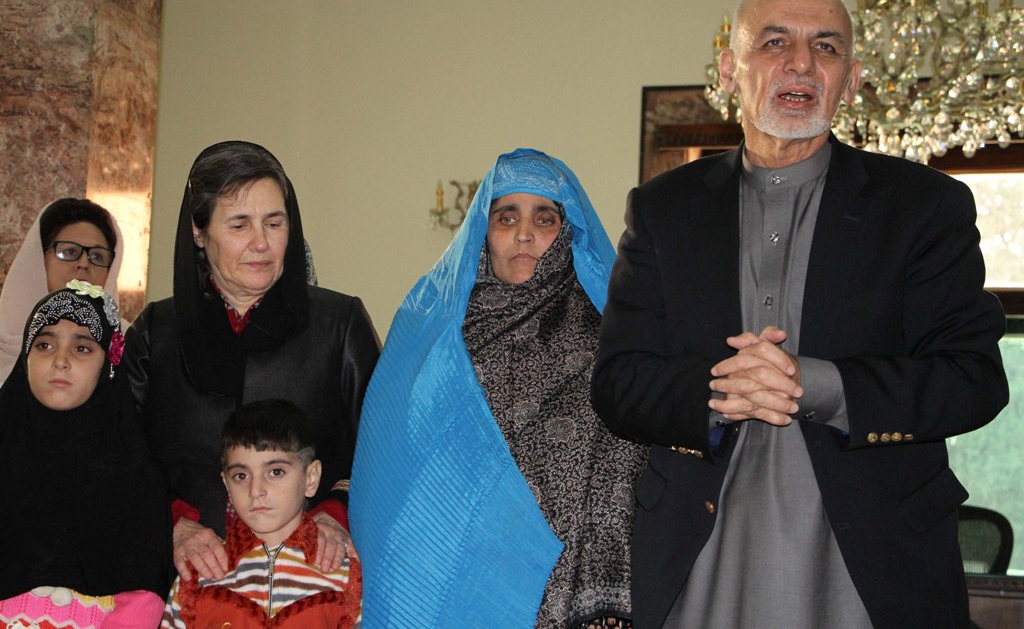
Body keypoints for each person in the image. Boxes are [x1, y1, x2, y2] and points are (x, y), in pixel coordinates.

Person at [592, 0, 1009, 629]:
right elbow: (618, 382)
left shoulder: (923, 207)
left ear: (851, 79)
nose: (801, 63)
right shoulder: (662, 209)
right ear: (729, 70)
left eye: (826, 47)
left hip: (870, 567)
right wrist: (716, 390)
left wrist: (817, 384)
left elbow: (973, 378)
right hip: (697, 566)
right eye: (775, 42)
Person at [351, 148, 647, 628]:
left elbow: (627, 466)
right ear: (482, 231)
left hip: (568, 590)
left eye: (545, 218)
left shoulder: (610, 339)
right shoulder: (434, 330)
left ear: (568, 231)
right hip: (455, 567)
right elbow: (397, 461)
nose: (524, 234)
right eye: (506, 217)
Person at [121, 141, 380, 585]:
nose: (261, 243)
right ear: (199, 234)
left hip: (312, 579)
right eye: (239, 224)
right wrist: (174, 524)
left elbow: (382, 450)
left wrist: (336, 513)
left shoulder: (339, 325)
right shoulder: (157, 332)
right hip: (187, 581)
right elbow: (120, 453)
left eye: (274, 223)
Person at [0, 280, 170, 628]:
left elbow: (144, 596)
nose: (60, 361)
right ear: (25, 358)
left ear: (109, 363)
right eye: (44, 344)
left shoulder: (135, 475)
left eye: (82, 348)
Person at [161, 399, 362, 628]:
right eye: (241, 476)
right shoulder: (197, 575)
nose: (256, 491)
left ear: (311, 478)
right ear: (227, 485)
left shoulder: (343, 574)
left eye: (276, 472)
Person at [0, 197, 124, 381]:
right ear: (38, 260)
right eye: (69, 252)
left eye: (97, 256)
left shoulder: (131, 346)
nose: (84, 264)